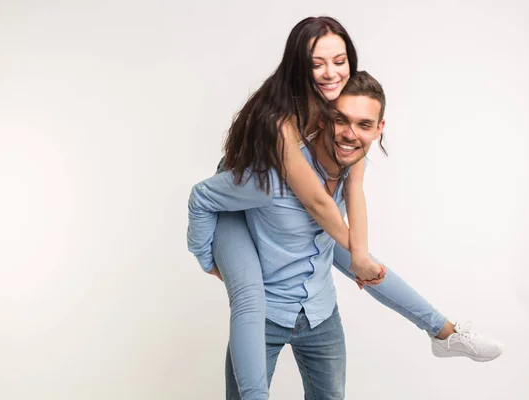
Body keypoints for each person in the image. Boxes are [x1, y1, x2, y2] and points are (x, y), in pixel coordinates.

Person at [188, 18, 502, 400]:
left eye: (340, 61)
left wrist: (361, 256)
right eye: (317, 63)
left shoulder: (344, 128)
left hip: (312, 290)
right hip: (239, 199)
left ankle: (445, 333)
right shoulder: (279, 130)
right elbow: (316, 202)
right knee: (252, 295)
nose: (330, 72)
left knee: (358, 255)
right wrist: (206, 257)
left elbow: (354, 192)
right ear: (299, 67)